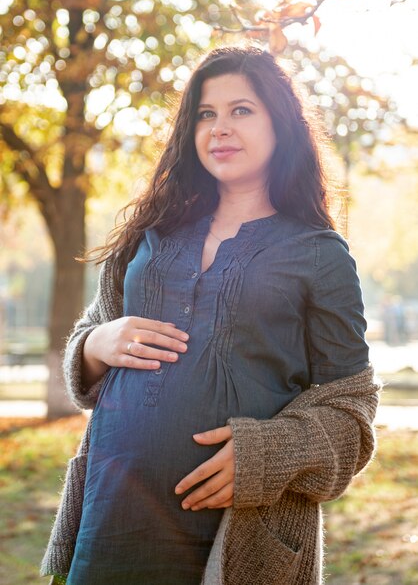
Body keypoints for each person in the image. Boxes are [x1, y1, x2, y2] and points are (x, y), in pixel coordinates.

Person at [41, 46, 380, 585]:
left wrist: (266, 455)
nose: (219, 127)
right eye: (206, 113)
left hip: (238, 538)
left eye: (241, 110)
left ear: (281, 124)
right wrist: (93, 345)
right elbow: (91, 337)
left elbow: (353, 411)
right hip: (113, 522)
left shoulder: (319, 253)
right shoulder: (150, 236)